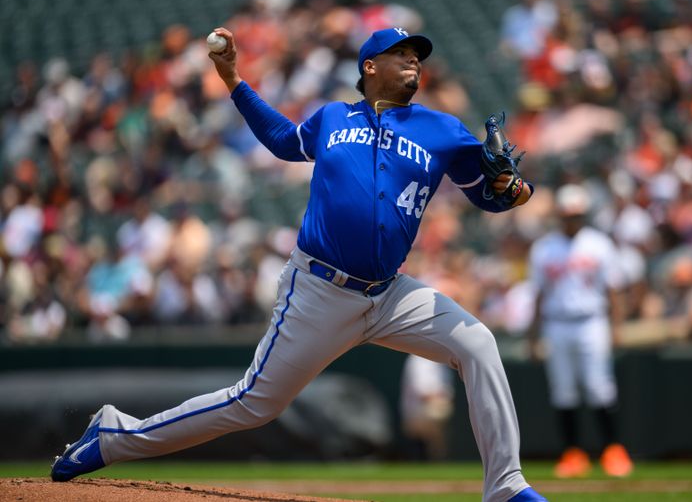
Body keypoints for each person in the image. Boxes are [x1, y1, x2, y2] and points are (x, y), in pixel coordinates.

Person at [50, 26, 546, 502]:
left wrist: (512, 193)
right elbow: (283, 141)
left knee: (477, 343)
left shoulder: (442, 130)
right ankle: (116, 436)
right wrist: (233, 82)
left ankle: (505, 486)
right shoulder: (332, 117)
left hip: (390, 294)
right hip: (320, 290)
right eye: (402, 53)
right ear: (370, 66)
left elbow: (488, 192)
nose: (414, 59)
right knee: (253, 404)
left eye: (417, 54)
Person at [527, 183, 633, 478]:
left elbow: (613, 289)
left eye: (576, 214)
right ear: (559, 215)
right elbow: (538, 294)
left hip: (591, 321)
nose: (572, 219)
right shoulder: (544, 247)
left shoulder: (598, 243)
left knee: (600, 387)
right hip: (557, 323)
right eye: (567, 214)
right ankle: (573, 453)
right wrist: (532, 336)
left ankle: (613, 450)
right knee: (563, 391)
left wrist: (616, 327)